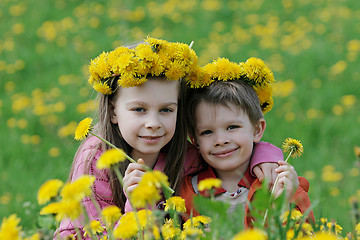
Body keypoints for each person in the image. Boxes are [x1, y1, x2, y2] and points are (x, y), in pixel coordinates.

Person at [55, 38, 282, 239]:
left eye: (166, 110)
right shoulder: (97, 158)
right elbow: (90, 234)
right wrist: (137, 207)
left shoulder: (184, 154)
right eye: (139, 109)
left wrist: (263, 156)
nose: (153, 123)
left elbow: (227, 155)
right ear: (114, 112)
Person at [180, 57, 315, 227]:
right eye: (207, 132)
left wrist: (283, 205)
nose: (220, 141)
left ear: (257, 130)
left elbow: (307, 232)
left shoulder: (277, 183)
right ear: (195, 140)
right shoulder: (188, 191)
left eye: (232, 127)